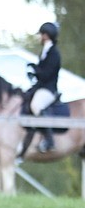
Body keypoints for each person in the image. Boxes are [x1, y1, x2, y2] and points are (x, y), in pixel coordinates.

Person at [27, 21, 61, 153]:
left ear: (46, 35)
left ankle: (49, 141)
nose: (39, 37)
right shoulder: (45, 51)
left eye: (41, 34)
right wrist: (33, 69)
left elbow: (46, 74)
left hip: (48, 90)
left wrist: (35, 71)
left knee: (36, 106)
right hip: (41, 87)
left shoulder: (54, 53)